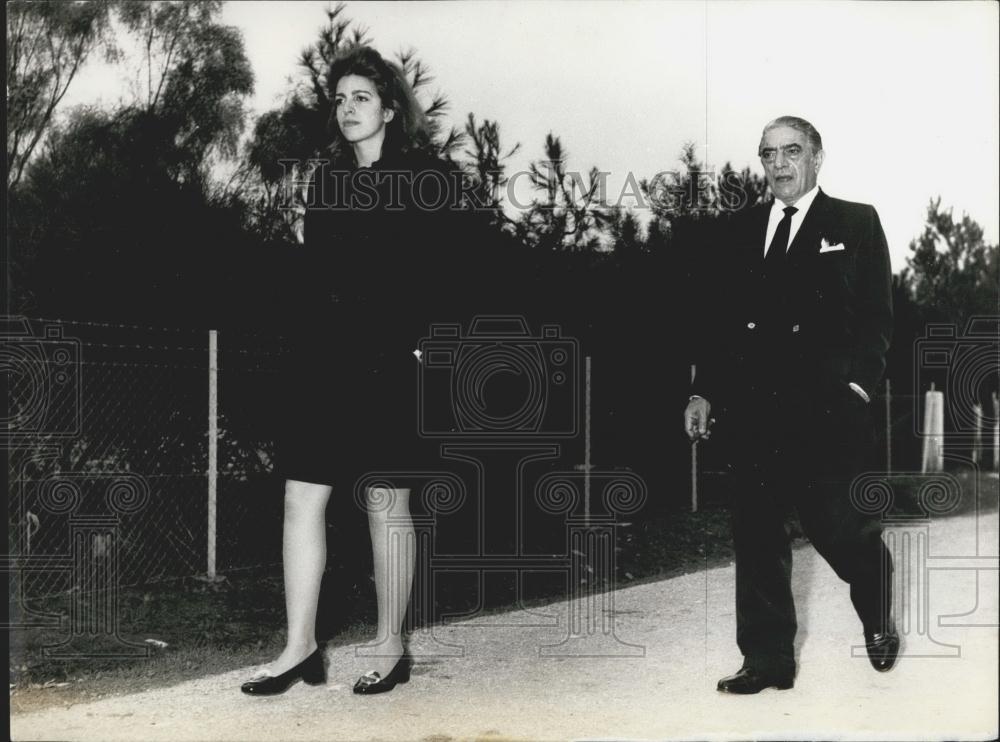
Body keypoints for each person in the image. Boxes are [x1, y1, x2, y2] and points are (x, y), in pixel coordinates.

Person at [241, 45, 467, 697]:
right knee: (300, 497)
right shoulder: (327, 184)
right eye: (339, 99)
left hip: (391, 361)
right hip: (325, 361)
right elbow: (315, 281)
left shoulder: (427, 180)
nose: (347, 109)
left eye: (361, 97)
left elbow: (454, 276)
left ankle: (391, 645)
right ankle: (299, 647)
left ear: (390, 109)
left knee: (385, 500)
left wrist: (430, 347)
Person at [684, 115, 897, 694]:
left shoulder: (855, 222)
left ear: (816, 157)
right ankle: (767, 659)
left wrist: (858, 387)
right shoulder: (737, 231)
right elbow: (720, 324)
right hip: (753, 411)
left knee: (838, 530)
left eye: (792, 151)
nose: (779, 164)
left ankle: (876, 598)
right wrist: (703, 391)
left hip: (825, 411)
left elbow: (877, 318)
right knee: (756, 534)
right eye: (768, 153)